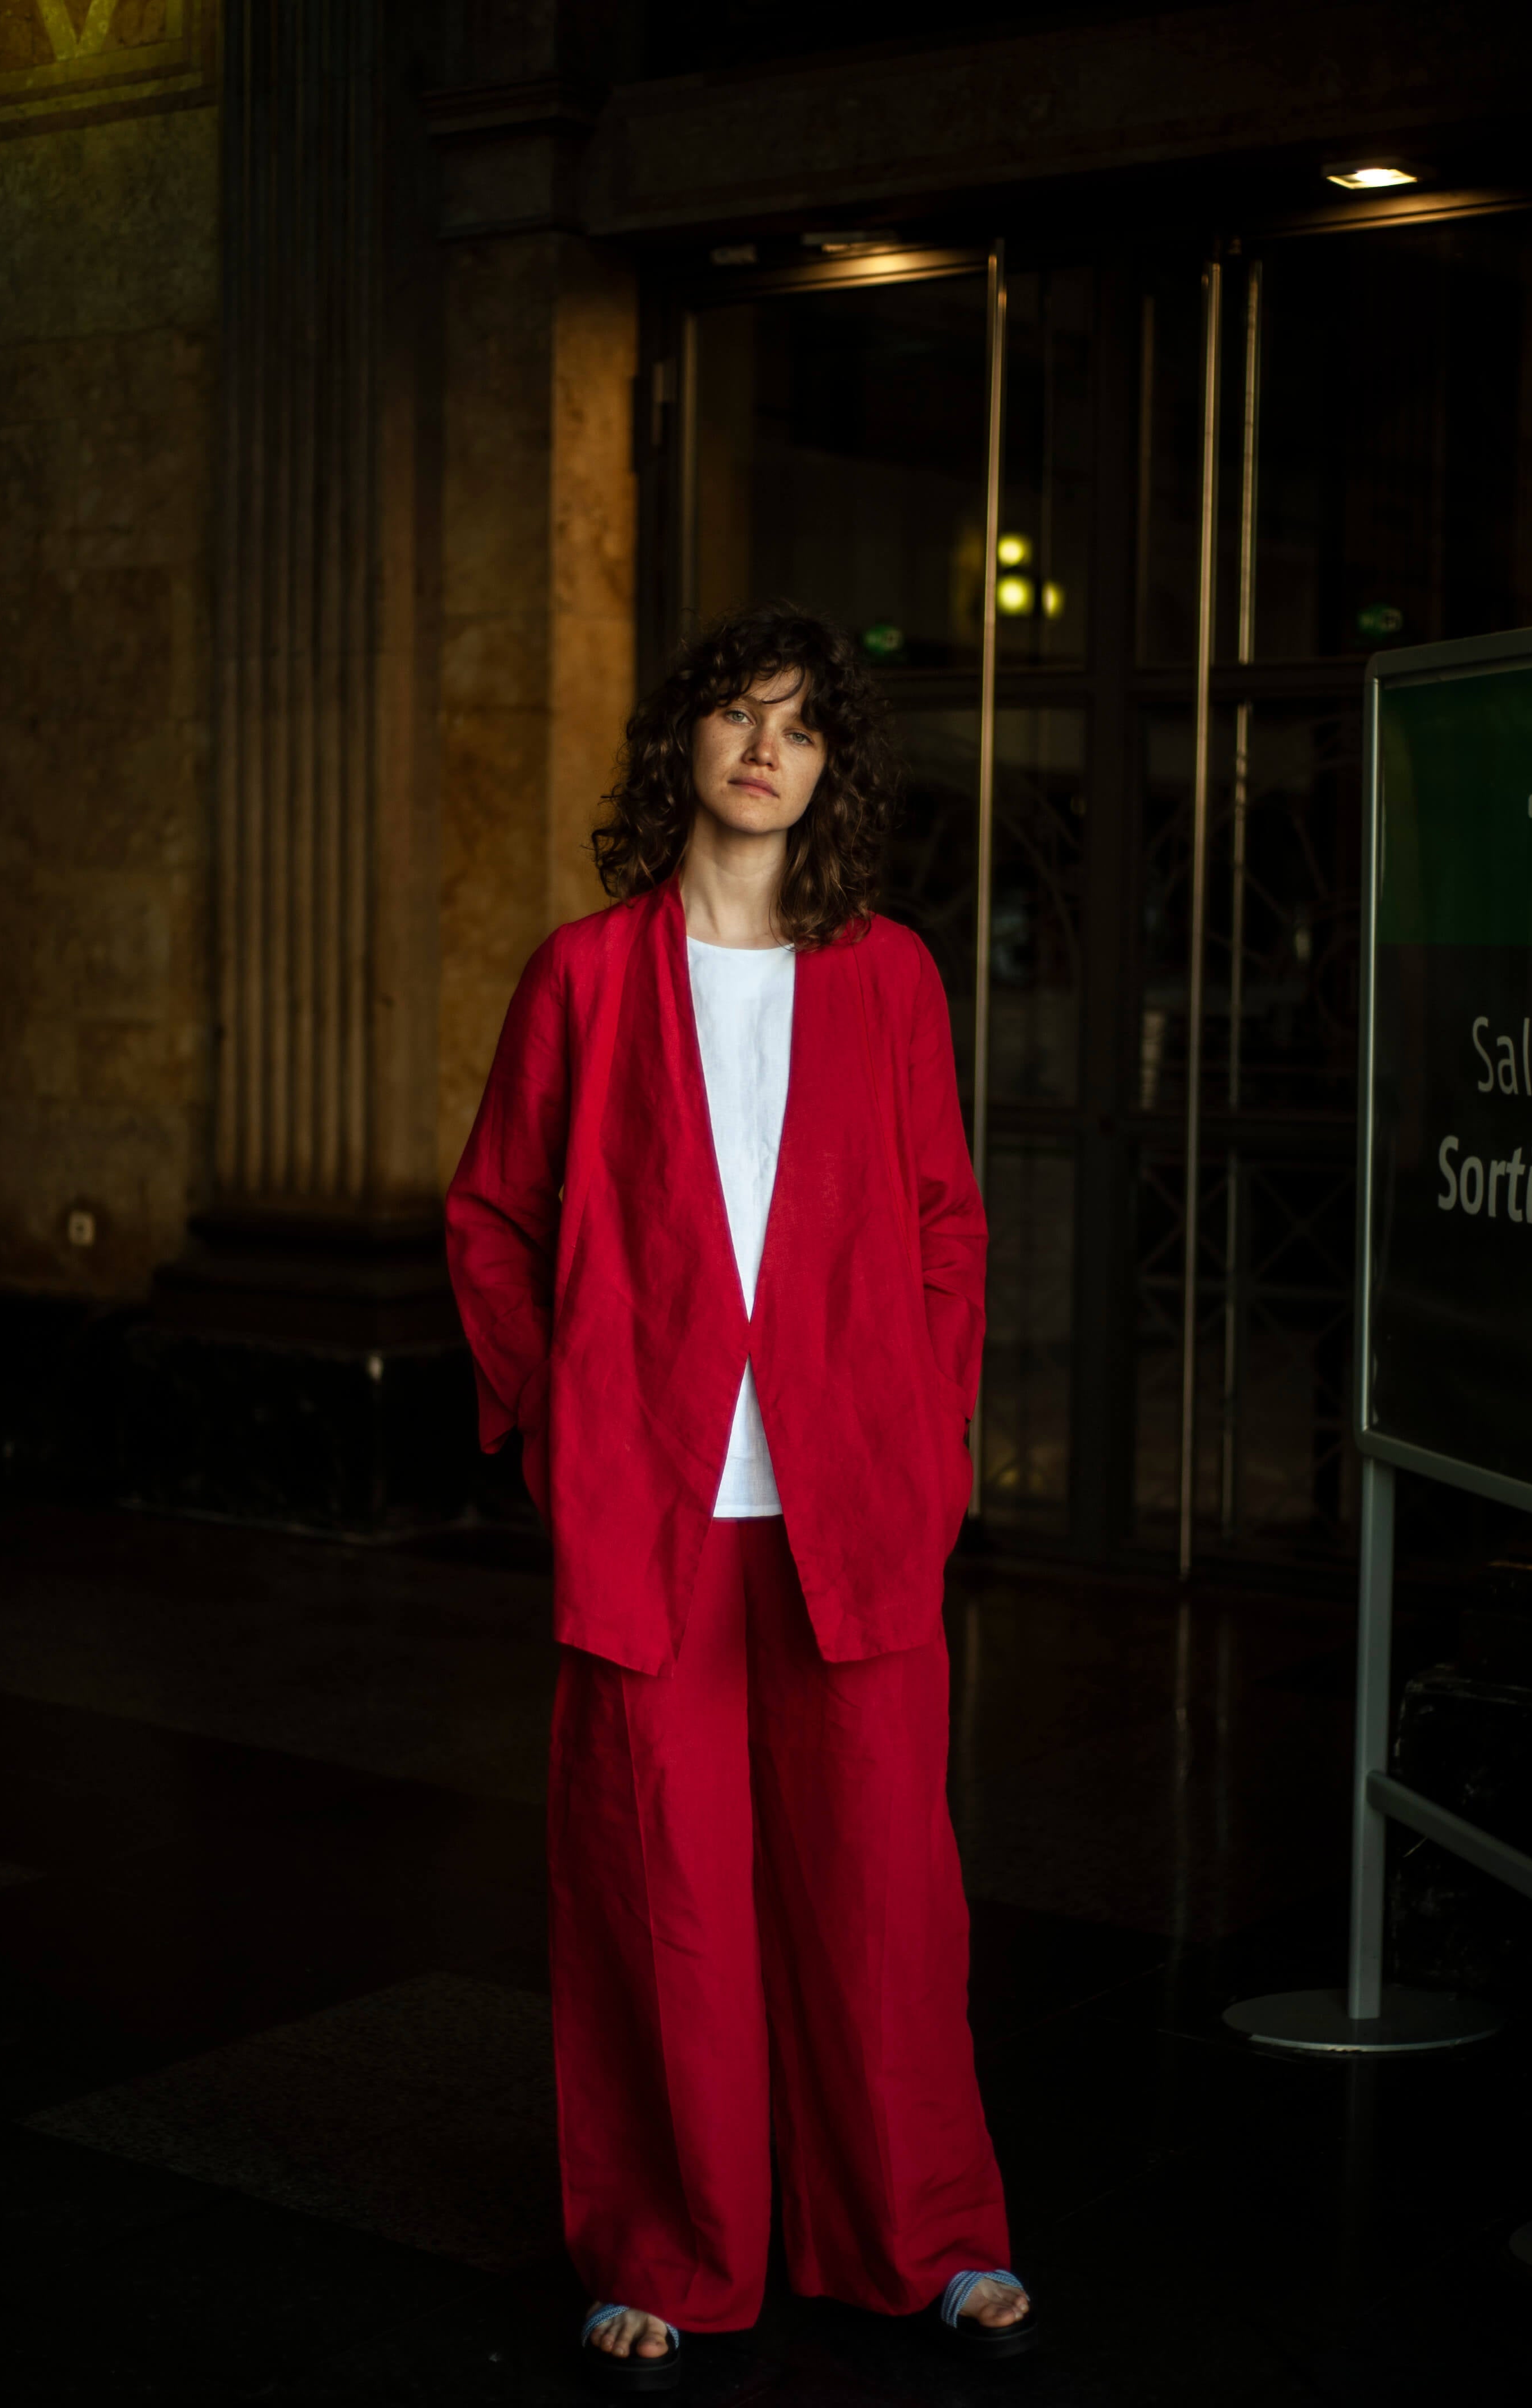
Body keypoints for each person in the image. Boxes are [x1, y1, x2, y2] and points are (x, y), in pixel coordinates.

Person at [445, 602, 1032, 2390]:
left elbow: (944, 1225)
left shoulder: (892, 977)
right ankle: (674, 2247)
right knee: (664, 1890)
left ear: (830, 767)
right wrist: (563, 1427)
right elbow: (496, 1220)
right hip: (657, 1510)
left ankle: (918, 2234)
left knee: (884, 1896)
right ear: (685, 747)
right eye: (733, 714)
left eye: (799, 723)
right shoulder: (586, 974)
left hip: (853, 1502)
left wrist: (930, 1441)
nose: (764, 746)